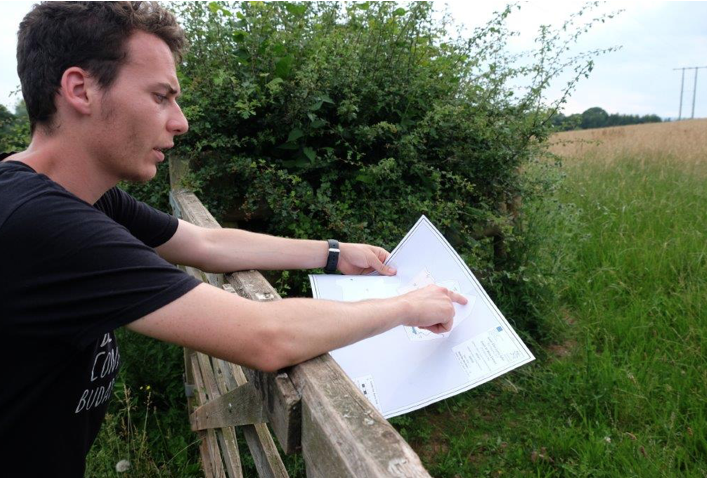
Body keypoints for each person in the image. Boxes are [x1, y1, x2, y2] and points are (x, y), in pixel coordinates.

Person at [0, 2, 467, 475]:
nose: (179, 121)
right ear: (80, 89)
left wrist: (332, 253)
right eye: (161, 96)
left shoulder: (81, 196)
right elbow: (264, 336)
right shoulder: (39, 223)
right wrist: (406, 307)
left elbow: (206, 245)